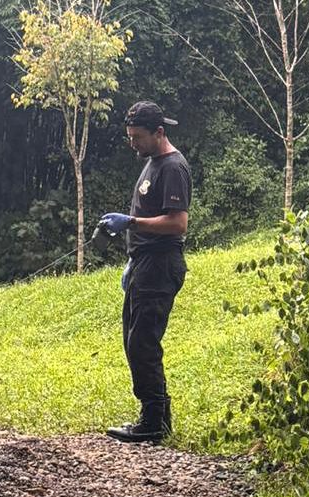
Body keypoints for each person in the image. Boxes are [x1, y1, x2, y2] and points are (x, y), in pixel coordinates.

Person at [99, 101, 190, 444]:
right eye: (130, 137)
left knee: (143, 343)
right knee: (133, 341)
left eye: (137, 137)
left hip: (161, 264)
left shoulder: (173, 167)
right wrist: (132, 255)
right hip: (142, 263)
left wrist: (132, 223)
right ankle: (156, 417)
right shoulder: (152, 162)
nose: (132, 143)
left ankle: (154, 421)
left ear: (159, 133)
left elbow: (178, 222)